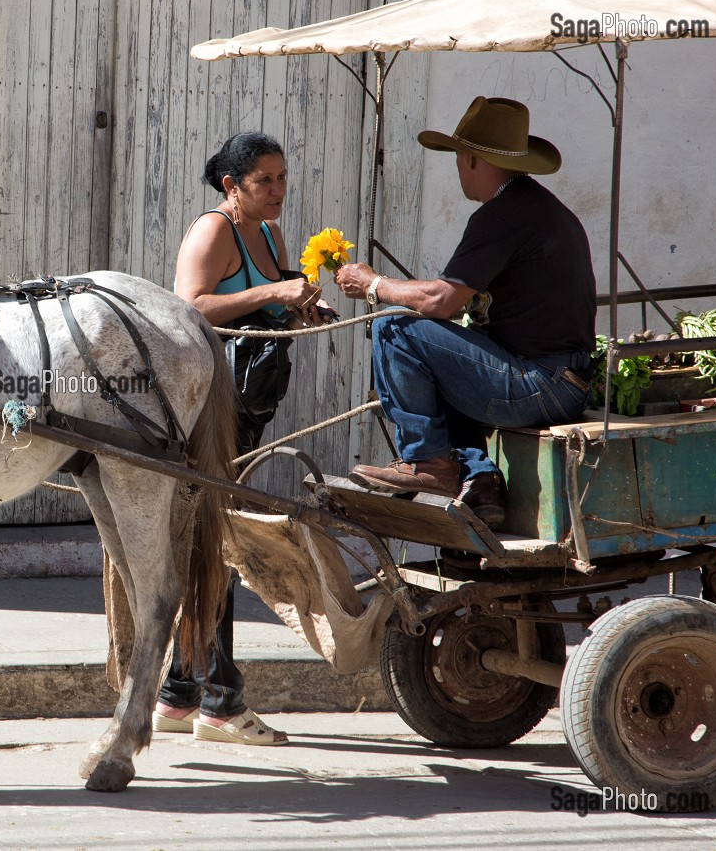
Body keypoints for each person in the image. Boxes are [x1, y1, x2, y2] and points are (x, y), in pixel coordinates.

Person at [334, 96, 597, 522]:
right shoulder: (535, 207)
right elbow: (458, 304)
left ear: (471, 159)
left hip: (541, 384)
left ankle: (432, 467)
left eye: (459, 157)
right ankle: (481, 480)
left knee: (395, 330)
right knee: (436, 356)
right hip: (561, 380)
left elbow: (441, 301)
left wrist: (373, 284)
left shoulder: (504, 214)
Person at [154, 131, 329, 745]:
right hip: (209, 411)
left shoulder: (269, 230)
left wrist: (299, 307)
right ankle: (222, 704)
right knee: (214, 541)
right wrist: (272, 292)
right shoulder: (214, 230)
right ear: (232, 185)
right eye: (265, 181)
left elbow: (263, 310)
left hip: (249, 407)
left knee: (211, 535)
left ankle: (178, 695)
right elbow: (189, 307)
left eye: (283, 178)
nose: (278, 190)